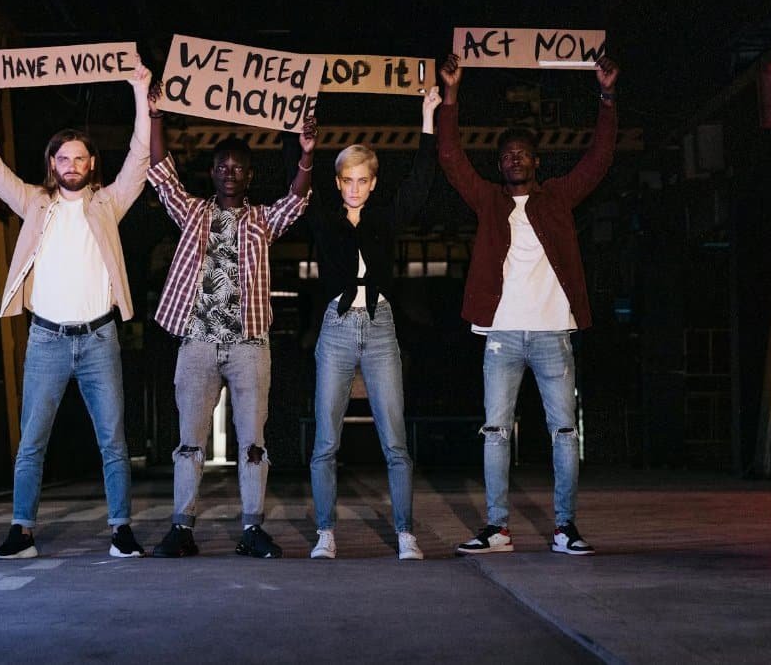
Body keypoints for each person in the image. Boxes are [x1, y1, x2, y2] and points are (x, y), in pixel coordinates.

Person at [437, 53, 620, 556]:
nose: (515, 159)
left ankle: (565, 528)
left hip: (551, 334)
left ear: (537, 162)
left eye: (523, 153)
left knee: (563, 431)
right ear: (500, 165)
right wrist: (451, 96)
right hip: (500, 336)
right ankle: (497, 529)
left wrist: (605, 96)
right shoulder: (490, 201)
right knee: (495, 431)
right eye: (507, 155)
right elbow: (451, 160)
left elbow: (599, 160)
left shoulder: (557, 198)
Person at [0, 58, 152, 559]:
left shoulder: (107, 205)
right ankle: (21, 531)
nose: (71, 165)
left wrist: (140, 90)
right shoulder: (33, 203)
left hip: (98, 339)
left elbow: (140, 158)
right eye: (63, 159)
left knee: (113, 441)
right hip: (47, 339)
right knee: (32, 441)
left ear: (92, 163)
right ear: (52, 164)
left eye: (79, 158)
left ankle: (121, 530)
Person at [145, 87, 316, 559]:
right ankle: (182, 528)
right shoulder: (195, 212)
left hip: (248, 344)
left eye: (238, 167)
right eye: (221, 166)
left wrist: (304, 156)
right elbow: (161, 175)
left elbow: (297, 201)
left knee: (253, 442)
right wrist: (156, 115)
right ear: (212, 172)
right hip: (197, 341)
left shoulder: (261, 220)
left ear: (249, 175)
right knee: (188, 442)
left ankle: (252, 528)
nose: (228, 173)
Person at [299, 88, 442, 561]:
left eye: (363, 180)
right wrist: (301, 126)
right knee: (325, 439)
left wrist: (427, 116)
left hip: (380, 326)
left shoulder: (386, 218)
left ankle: (405, 534)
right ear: (338, 183)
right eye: (347, 180)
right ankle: (326, 533)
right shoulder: (324, 218)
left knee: (395, 439)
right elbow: (294, 175)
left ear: (373, 183)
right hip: (336, 329)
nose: (355, 187)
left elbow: (421, 183)